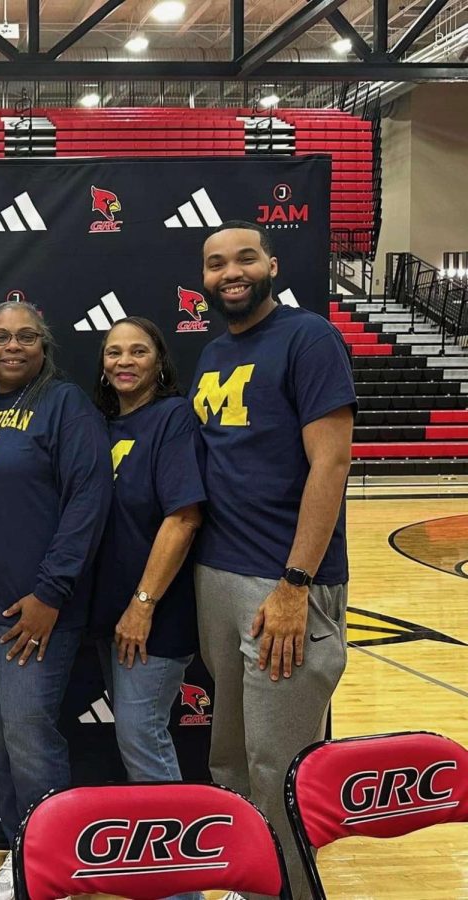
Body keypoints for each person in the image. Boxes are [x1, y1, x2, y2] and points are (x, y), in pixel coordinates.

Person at [190, 221, 355, 900]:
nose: (230, 272)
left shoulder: (309, 337)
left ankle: (290, 890)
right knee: (230, 759)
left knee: (280, 766)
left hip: (282, 582)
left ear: (272, 264)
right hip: (218, 575)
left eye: (244, 258)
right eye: (215, 263)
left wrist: (295, 582)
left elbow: (333, 462)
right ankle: (251, 881)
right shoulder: (211, 356)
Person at [0, 300, 111, 900]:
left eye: (26, 338)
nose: (12, 347)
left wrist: (51, 592)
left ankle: (53, 863)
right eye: (0, 338)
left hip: (36, 609)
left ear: (45, 346)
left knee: (28, 733)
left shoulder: (65, 405)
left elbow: (88, 501)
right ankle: (24, 846)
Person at [91, 316, 207, 900]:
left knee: (142, 738)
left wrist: (142, 604)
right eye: (113, 352)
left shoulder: (172, 417)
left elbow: (183, 517)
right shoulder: (103, 424)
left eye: (138, 350)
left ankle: (181, 886)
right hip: (107, 614)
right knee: (137, 739)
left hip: (153, 615)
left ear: (160, 360)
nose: (124, 361)